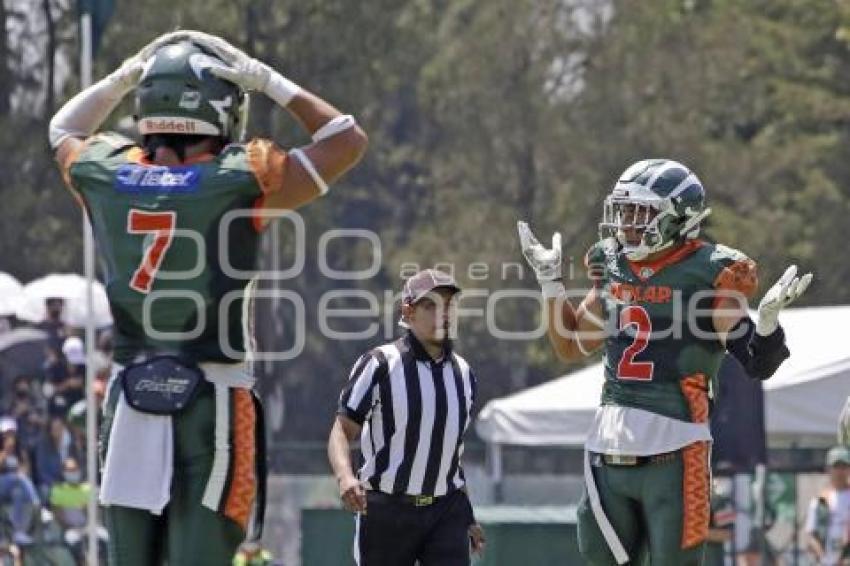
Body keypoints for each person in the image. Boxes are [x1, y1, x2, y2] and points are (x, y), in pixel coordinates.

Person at [49, 29, 367, 564]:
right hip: (213, 398)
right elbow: (346, 137)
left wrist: (124, 75)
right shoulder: (238, 176)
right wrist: (267, 81)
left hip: (130, 398)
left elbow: (63, 127)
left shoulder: (106, 173)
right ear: (225, 109)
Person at [517, 159, 812, 565]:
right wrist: (551, 282)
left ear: (680, 218)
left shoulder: (708, 271)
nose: (628, 223)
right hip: (607, 447)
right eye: (624, 211)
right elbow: (570, 344)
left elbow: (756, 363)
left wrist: (765, 327)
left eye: (641, 212)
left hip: (676, 450)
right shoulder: (613, 262)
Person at [327, 269, 485, 566]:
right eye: (431, 306)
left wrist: (467, 515)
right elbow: (341, 430)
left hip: (445, 512)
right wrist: (345, 477)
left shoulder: (464, 374)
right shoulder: (380, 364)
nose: (444, 314)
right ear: (408, 312)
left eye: (449, 304)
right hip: (387, 510)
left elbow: (450, 452)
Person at [804, 447, 850, 566]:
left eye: (844, 467)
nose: (840, 471)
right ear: (828, 469)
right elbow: (811, 534)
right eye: (836, 467)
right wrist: (822, 556)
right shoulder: (820, 501)